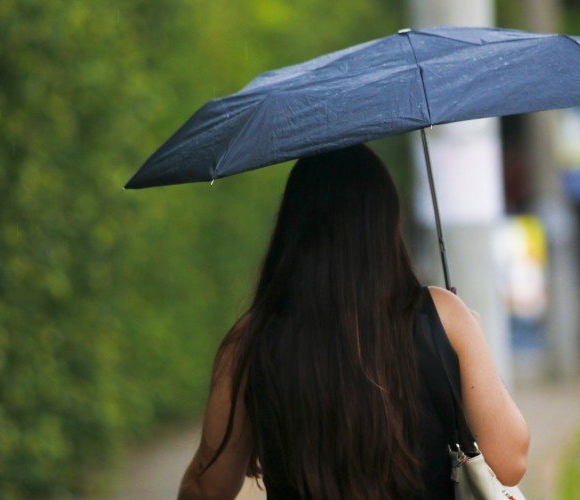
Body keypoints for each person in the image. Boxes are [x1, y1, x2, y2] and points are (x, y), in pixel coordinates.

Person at [178, 144, 529, 499]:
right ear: (388, 223)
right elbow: (510, 460)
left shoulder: (250, 342)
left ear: (292, 229)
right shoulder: (441, 317)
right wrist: (469, 335)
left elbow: (206, 489)